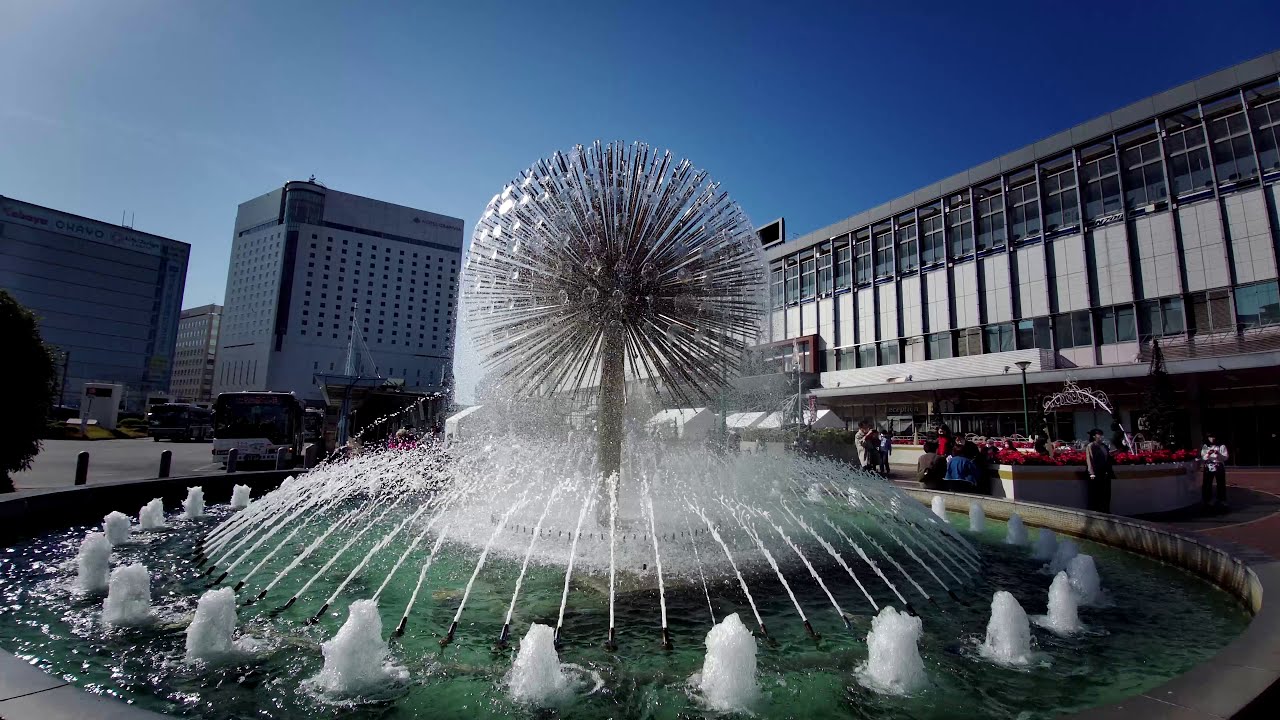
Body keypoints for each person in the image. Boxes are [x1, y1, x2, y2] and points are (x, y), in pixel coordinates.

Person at [1085, 428, 1114, 514]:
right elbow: (1089, 460)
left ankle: (1106, 510)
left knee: (1106, 493)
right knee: (1096, 493)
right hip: (1097, 473)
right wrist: (1092, 473)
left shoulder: (1104, 446)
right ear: (1094, 436)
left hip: (1105, 472)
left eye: (1101, 434)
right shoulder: (1091, 446)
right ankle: (1096, 511)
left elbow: (1108, 458)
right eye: (1099, 434)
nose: (1101, 436)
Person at [1201, 432, 1229, 509]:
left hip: (1219, 465)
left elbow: (1225, 457)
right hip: (1209, 466)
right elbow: (1203, 457)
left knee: (1221, 483)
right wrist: (1208, 454)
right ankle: (1207, 500)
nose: (1212, 439)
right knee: (1207, 484)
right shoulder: (1205, 446)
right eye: (1210, 437)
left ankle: (1221, 499)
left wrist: (1218, 454)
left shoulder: (1222, 446)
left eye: (1213, 437)